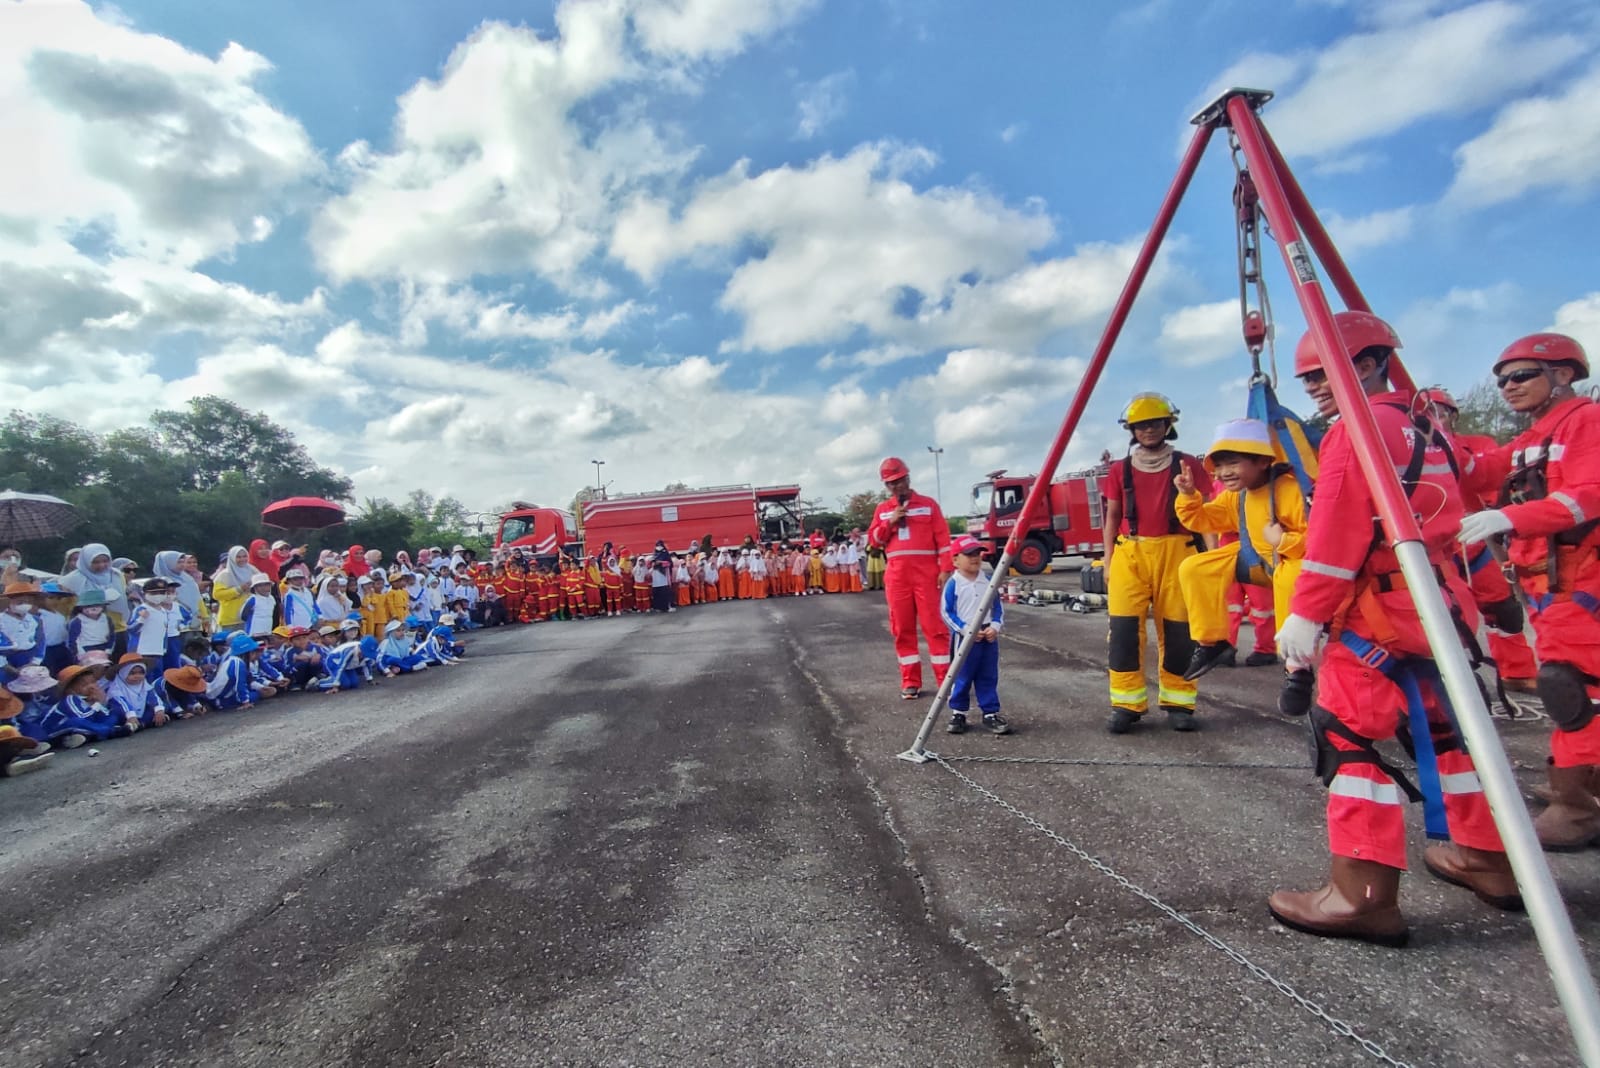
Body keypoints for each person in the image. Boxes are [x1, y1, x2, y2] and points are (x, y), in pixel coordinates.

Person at [1268, 310, 1515, 947]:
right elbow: (1460, 525)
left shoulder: (1356, 432)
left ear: (1371, 363)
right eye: (1310, 378)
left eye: (1327, 373)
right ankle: (1487, 860)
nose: (1317, 387)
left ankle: (1361, 897)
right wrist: (1494, 600)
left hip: (1376, 617)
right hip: (1438, 611)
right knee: (1450, 736)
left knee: (1350, 741)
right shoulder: (1428, 431)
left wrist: (1306, 613)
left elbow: (1337, 533)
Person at [1458, 333, 1600, 850]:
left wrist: (1510, 515)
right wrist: (1431, 437)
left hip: (1582, 583)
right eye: (1502, 380)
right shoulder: (1534, 438)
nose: (1507, 387)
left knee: (1573, 690)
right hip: (1550, 585)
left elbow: (1589, 494)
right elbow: (1482, 469)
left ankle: (1576, 808)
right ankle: (1583, 781)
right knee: (1575, 685)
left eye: (1521, 375)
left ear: (1563, 374)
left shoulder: (1587, 422)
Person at [1173, 420, 1308, 701]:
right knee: (1194, 567)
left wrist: (1283, 542)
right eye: (1219, 466)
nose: (1224, 473)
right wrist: (1188, 496)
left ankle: (1297, 667)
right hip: (1256, 559)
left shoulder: (1290, 490)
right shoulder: (1239, 496)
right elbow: (1203, 519)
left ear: (1261, 460)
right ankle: (1212, 643)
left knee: (1288, 578)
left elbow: (1320, 541)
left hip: (1292, 561)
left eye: (1232, 463)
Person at [1099, 394, 1210, 733]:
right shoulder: (1120, 469)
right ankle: (1126, 704)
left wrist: (1209, 562)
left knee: (1179, 632)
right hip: (1129, 554)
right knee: (1122, 633)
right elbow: (1113, 515)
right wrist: (1107, 560)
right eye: (1141, 425)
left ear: (1167, 426)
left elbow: (1206, 514)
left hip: (1179, 552)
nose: (1148, 430)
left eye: (1154, 423)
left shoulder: (1188, 464)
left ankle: (1178, 703)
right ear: (1132, 430)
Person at [1420, 387, 1540, 697]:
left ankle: (1518, 673)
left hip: (1477, 542)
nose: (1435, 419)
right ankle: (1453, 686)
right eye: (1427, 414)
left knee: (1504, 609)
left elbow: (1492, 482)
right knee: (1446, 617)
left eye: (1440, 412)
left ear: (1452, 416)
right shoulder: (1411, 451)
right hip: (1438, 548)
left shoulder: (1478, 447)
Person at [867, 456, 953, 700]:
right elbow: (874, 542)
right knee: (902, 629)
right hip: (897, 576)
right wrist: (891, 522)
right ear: (886, 487)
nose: (897, 487)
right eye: (891, 484)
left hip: (927, 575)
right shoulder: (883, 511)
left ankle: (945, 681)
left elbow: (944, 541)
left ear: (908, 478)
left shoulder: (928, 505)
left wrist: (945, 569)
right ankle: (910, 681)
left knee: (935, 628)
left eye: (900, 481)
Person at [939, 535, 1010, 735]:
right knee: (962, 675)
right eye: (968, 554)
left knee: (988, 675)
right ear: (955, 560)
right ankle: (959, 712)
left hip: (987, 636)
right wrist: (965, 630)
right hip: (965, 637)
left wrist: (995, 626)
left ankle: (990, 712)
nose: (974, 558)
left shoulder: (988, 580)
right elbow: (946, 612)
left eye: (977, 553)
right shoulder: (954, 583)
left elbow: (997, 607)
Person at [105, 654, 173, 728]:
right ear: (123, 673)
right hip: (123, 714)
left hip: (141, 713)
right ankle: (129, 726)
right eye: (132, 673)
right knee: (113, 717)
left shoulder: (144, 684)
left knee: (159, 708)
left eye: (141, 673)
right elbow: (121, 703)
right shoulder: (116, 688)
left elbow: (154, 697)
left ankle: (141, 724)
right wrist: (130, 715)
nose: (137, 676)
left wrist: (159, 710)